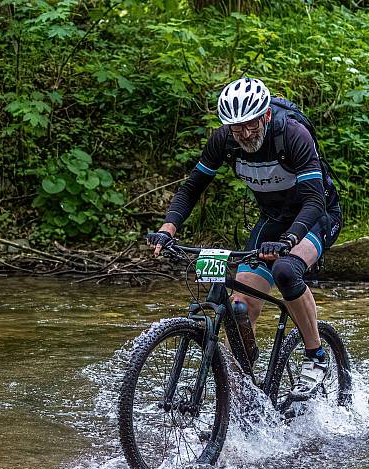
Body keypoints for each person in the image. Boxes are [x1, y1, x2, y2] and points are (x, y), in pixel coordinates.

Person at [147, 77, 342, 399]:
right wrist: (168, 229)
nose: (246, 135)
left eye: (251, 125)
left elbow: (314, 201)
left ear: (265, 115)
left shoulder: (292, 135)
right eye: (237, 129)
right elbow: (192, 188)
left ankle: (316, 357)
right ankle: (240, 394)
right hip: (274, 220)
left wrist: (289, 241)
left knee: (286, 270)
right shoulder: (224, 140)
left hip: (317, 215)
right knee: (241, 303)